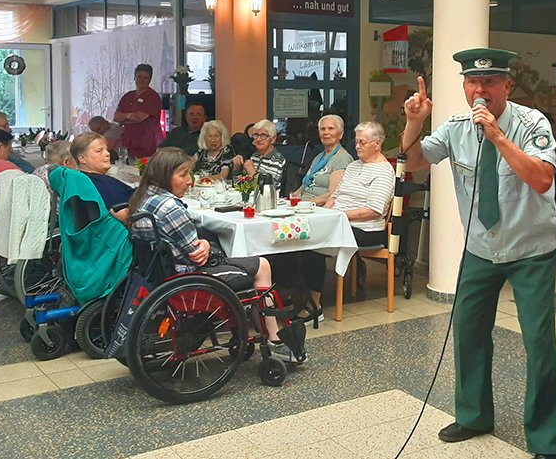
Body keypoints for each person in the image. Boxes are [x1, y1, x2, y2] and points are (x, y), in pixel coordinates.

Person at [401, 48, 556, 459]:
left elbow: (542, 179)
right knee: (469, 333)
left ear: (506, 86)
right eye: (472, 82)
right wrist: (413, 123)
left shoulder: (531, 123)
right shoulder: (456, 128)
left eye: (489, 82)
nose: (479, 89)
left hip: (532, 250)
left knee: (539, 342)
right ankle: (473, 416)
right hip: (481, 247)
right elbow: (416, 161)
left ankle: (545, 441)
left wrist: (497, 136)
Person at [124, 147, 302, 362]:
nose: (189, 181)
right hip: (188, 277)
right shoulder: (169, 207)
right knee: (262, 265)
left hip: (161, 273)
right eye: (183, 175)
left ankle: (254, 333)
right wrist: (207, 245)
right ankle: (273, 340)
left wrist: (206, 244)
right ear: (164, 175)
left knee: (240, 257)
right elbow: (198, 255)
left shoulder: (143, 198)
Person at [275, 121, 394, 321]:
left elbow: (374, 210)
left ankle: (315, 306)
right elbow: (334, 196)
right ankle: (283, 295)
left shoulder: (383, 171)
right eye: (356, 142)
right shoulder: (354, 165)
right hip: (340, 222)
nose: (357, 146)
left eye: (362, 143)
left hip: (364, 228)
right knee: (293, 237)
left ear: (377, 143)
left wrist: (338, 217)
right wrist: (326, 214)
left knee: (311, 244)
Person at [293, 114, 353, 205]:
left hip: (319, 208)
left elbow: (332, 195)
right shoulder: (318, 157)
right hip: (304, 204)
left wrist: (305, 203)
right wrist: (292, 198)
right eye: (323, 129)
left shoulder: (342, 159)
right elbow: (305, 186)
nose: (326, 132)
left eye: (331, 128)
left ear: (340, 134)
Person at [70, 132, 133, 210]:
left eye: (106, 149)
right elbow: (124, 214)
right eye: (99, 151)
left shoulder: (79, 180)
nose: (107, 154)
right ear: (82, 159)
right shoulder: (105, 186)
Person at [114, 64, 163, 159]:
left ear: (150, 79)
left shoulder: (153, 97)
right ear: (134, 77)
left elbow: (138, 118)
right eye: (139, 77)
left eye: (145, 77)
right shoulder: (128, 96)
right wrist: (128, 116)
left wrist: (122, 119)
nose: (142, 80)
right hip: (128, 143)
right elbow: (116, 117)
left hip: (146, 144)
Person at [232, 119, 287, 193]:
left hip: (268, 200)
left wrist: (252, 172)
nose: (258, 139)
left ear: (273, 139)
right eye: (256, 135)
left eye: (263, 135)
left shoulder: (277, 159)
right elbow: (240, 186)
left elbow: (267, 189)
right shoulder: (255, 156)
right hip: (251, 199)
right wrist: (237, 169)